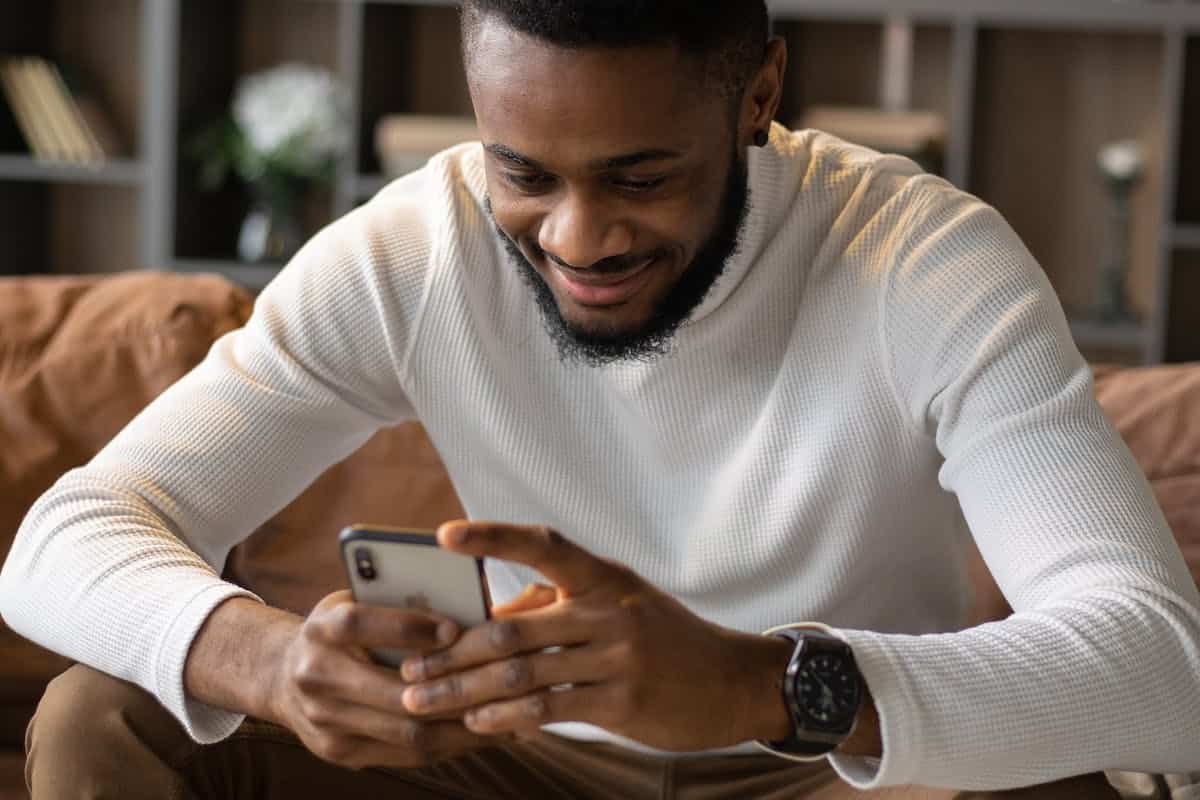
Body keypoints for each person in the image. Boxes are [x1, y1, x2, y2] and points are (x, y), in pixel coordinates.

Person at [1, 1, 1197, 798]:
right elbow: (63, 535)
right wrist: (258, 658)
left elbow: (1166, 667)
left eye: (641, 175)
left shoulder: (925, 259)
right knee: (101, 713)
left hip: (825, 762)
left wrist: (755, 682)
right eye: (523, 172)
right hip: (522, 759)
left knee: (1062, 773)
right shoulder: (417, 249)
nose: (578, 237)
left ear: (755, 95)